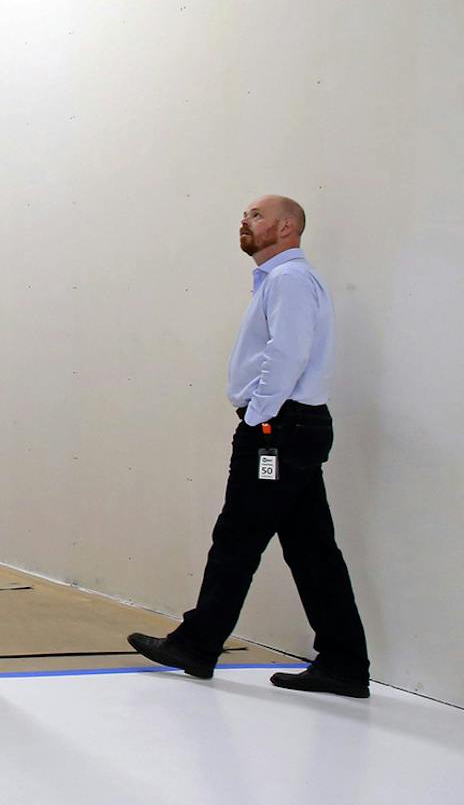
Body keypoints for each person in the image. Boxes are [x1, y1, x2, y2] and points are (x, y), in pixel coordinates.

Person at [129, 195, 371, 697]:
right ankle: (345, 663)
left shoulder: (288, 280)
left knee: (238, 537)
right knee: (312, 550)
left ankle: (197, 644)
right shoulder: (280, 281)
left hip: (279, 430)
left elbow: (288, 352)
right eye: (244, 215)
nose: (245, 221)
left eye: (256, 216)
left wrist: (260, 416)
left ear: (287, 227)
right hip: (290, 429)